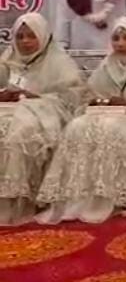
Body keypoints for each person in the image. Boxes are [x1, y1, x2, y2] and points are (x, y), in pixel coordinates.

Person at [36, 18, 126, 223]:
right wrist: (98, 102)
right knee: (77, 127)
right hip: (106, 113)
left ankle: (109, 197)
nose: (120, 43)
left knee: (112, 129)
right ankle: (80, 198)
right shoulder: (107, 64)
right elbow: (90, 92)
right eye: (116, 38)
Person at [0, 14, 82, 225]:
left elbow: (73, 98)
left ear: (43, 36)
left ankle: (18, 200)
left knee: (21, 132)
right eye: (20, 37)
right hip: (9, 110)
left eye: (31, 36)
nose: (25, 41)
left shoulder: (59, 62)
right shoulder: (7, 60)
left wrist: (33, 97)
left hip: (45, 112)